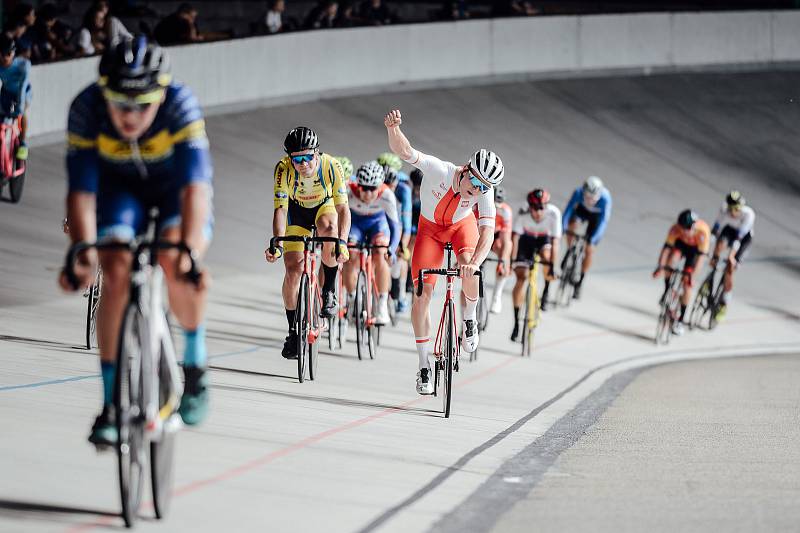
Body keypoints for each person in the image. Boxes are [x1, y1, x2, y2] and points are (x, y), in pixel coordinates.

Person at [59, 36, 214, 446]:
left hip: (173, 192)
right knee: (113, 272)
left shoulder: (181, 105)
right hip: (118, 193)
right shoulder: (86, 109)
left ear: (160, 96)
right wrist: (80, 255)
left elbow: (196, 189)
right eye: (120, 104)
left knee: (175, 259)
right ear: (103, 94)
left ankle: (195, 367)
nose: (130, 116)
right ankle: (111, 404)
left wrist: (191, 254)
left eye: (143, 105)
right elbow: (81, 194)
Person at [383, 109, 504, 395]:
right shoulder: (440, 169)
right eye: (474, 183)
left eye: (484, 188)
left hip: (462, 228)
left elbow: (487, 232)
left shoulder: (483, 194)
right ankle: (424, 365)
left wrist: (474, 263)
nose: (476, 191)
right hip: (429, 232)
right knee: (422, 295)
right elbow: (406, 151)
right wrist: (393, 129)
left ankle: (470, 318)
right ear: (465, 170)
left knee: (469, 264)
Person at [264, 126, 350, 359]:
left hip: (324, 207)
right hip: (297, 212)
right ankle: (293, 331)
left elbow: (343, 209)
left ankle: (329, 289)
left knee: (329, 229)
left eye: (308, 157)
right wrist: (277, 245)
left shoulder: (331, 166)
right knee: (294, 271)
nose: (303, 164)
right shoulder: (282, 169)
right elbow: (280, 210)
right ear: (289, 158)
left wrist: (341, 242)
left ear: (317, 153)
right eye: (297, 159)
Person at [343, 161, 400, 324]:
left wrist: (392, 249)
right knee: (350, 254)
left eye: (372, 189)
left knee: (381, 252)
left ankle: (382, 304)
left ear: (380, 186)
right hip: (356, 225)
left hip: (378, 224)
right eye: (364, 188)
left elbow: (395, 227)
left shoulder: (387, 195)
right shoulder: (348, 191)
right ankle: (352, 298)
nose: (367, 194)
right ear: (357, 184)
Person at [510, 189, 560, 339]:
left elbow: (555, 242)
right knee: (521, 277)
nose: (538, 212)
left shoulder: (554, 214)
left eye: (541, 208)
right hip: (526, 239)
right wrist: (513, 261)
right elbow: (515, 239)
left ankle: (546, 289)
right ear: (529, 206)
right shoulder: (522, 212)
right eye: (534, 208)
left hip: (543, 239)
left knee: (547, 257)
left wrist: (552, 266)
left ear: (546, 206)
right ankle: (516, 323)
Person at [653, 209, 710, 336]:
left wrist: (692, 276)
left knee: (687, 284)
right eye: (682, 228)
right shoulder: (675, 229)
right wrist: (661, 267)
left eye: (687, 228)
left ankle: (681, 320)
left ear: (694, 226)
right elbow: (666, 249)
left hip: (695, 252)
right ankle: (668, 289)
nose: (684, 231)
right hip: (680, 246)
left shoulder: (703, 231)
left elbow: (701, 258)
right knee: (671, 261)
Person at [561, 175, 612, 299]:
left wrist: (592, 240)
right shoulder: (578, 192)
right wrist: (563, 228)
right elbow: (568, 211)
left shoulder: (605, 199)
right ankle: (570, 250)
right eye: (587, 197)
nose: (589, 201)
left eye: (592, 198)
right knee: (571, 226)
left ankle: (580, 280)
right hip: (581, 212)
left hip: (596, 218)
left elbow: (603, 222)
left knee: (589, 249)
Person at [710, 190, 755, 322]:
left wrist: (731, 256)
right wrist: (712, 251)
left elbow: (738, 239)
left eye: (736, 209)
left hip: (743, 238)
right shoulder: (724, 209)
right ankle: (711, 277)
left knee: (730, 268)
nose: (733, 213)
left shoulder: (748, 214)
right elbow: (716, 229)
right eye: (731, 209)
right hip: (729, 230)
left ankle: (724, 302)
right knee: (718, 247)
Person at [378, 152, 412, 312]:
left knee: (401, 256)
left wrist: (402, 245)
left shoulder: (403, 189)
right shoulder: (374, 182)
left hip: (396, 223)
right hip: (380, 223)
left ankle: (401, 292)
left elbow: (405, 223)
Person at [0, 34, 32, 160]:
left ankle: (23, 143)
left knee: (22, 112)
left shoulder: (23, 65)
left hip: (24, 92)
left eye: (9, 54)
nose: (5, 58)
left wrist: (20, 106)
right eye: (2, 54)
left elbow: (23, 87)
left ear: (13, 53)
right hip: (7, 92)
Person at [484, 185, 513, 313]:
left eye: (498, 206)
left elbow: (506, 239)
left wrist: (502, 261)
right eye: (493, 205)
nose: (495, 208)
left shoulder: (506, 211)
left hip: (495, 235)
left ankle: (497, 295)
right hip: (481, 231)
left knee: (505, 248)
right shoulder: (479, 204)